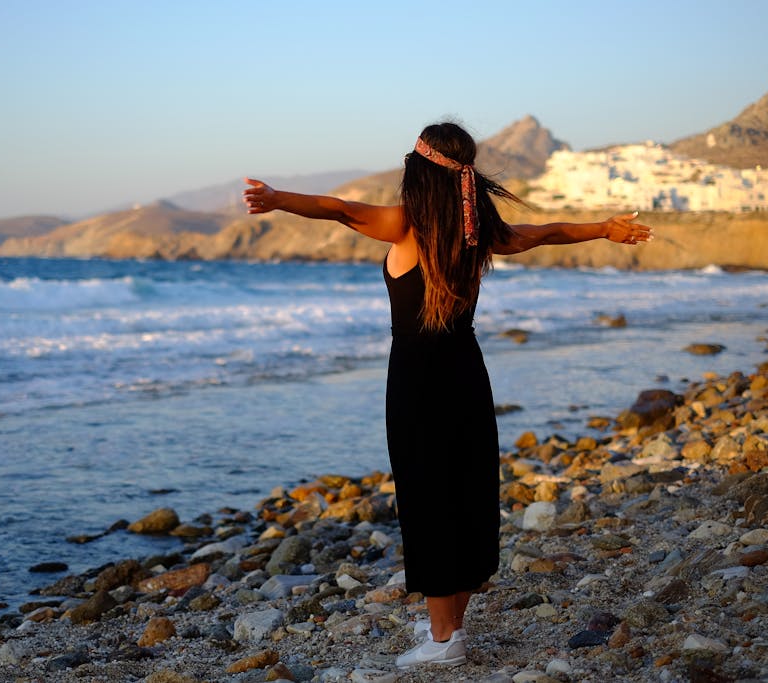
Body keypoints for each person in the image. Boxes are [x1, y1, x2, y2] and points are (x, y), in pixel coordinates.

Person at [242, 121, 651, 670]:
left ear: (419, 174)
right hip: (466, 370)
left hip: (417, 378)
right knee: (464, 491)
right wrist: (605, 228)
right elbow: (544, 232)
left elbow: (337, 207)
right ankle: (450, 626)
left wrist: (275, 199)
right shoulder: (481, 231)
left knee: (428, 498)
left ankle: (442, 643)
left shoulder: (404, 227)